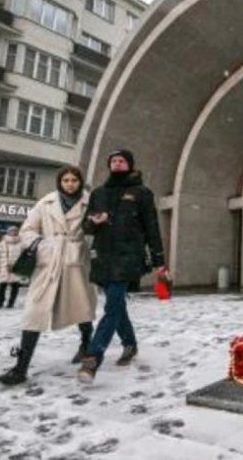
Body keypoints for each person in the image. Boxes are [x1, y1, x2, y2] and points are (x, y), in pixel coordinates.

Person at [0, 166, 97, 386]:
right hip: (48, 262)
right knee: (34, 312)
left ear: (80, 182)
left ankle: (86, 344)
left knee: (81, 307)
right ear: (60, 182)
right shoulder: (46, 202)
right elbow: (27, 229)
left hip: (75, 261)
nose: (70, 184)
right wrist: (41, 245)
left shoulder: (90, 203)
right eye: (66, 180)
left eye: (74, 180)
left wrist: (89, 242)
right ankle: (20, 368)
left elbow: (97, 231)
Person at [78, 149, 166, 384]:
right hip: (102, 255)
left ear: (129, 164)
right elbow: (85, 226)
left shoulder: (141, 193)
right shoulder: (98, 193)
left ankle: (93, 357)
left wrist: (159, 260)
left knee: (112, 305)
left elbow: (152, 227)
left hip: (129, 255)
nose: (117, 164)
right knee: (116, 306)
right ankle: (130, 343)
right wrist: (93, 222)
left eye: (122, 161)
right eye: (114, 161)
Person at [0, 226, 24, 308]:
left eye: (15, 231)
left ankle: (11, 302)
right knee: (2, 285)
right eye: (11, 231)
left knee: (15, 285)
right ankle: (0, 302)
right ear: (8, 232)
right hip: (4, 266)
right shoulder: (2, 243)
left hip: (16, 267)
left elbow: (24, 256)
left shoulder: (21, 243)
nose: (13, 232)